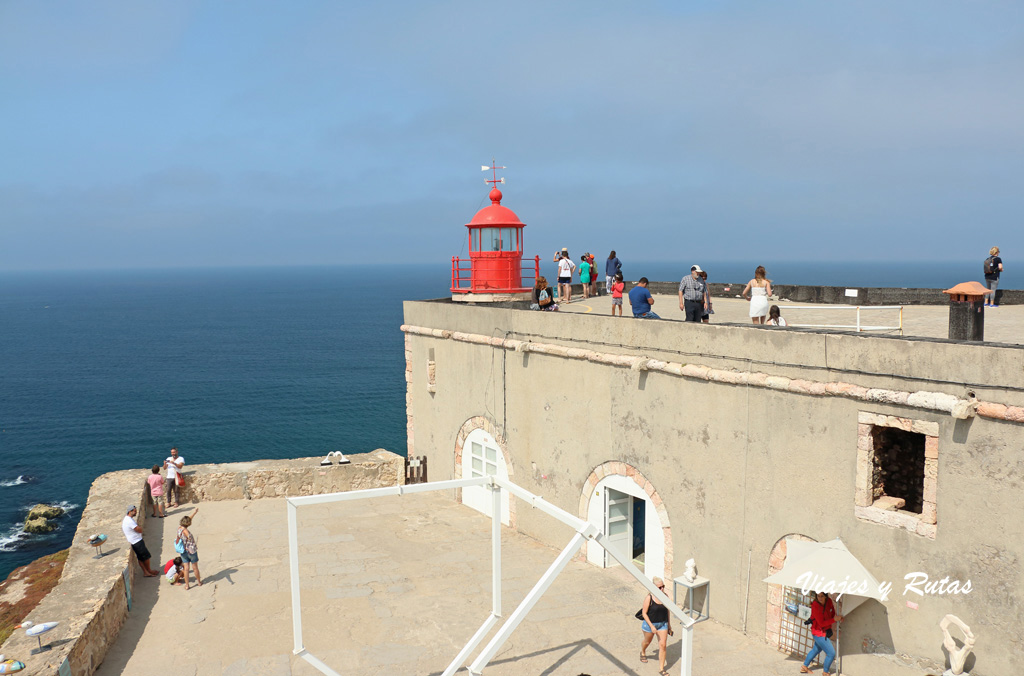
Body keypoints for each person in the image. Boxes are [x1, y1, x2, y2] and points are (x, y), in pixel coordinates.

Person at [800, 591, 843, 674]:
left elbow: (832, 613)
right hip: (818, 633)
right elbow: (822, 623)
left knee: (816, 650)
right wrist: (834, 619)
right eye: (818, 596)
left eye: (822, 596)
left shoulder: (829, 601)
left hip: (825, 631)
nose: (820, 598)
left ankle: (804, 667)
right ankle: (825, 672)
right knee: (831, 653)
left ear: (826, 596)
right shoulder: (815, 606)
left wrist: (838, 618)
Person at [639, 577, 673, 675]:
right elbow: (644, 613)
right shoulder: (649, 598)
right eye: (659, 588)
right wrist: (652, 626)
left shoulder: (665, 596)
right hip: (650, 624)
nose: (662, 589)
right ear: (654, 588)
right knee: (647, 642)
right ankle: (643, 652)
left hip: (663, 624)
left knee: (663, 645)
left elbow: (667, 611)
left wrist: (669, 626)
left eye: (663, 586)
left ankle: (661, 669)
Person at [122, 505, 158, 577]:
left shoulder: (127, 519)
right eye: (134, 511)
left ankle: (146, 572)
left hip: (134, 541)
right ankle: (148, 570)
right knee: (146, 557)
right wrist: (140, 529)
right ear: (130, 511)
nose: (136, 512)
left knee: (141, 558)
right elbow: (138, 529)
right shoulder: (129, 521)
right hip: (137, 542)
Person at [176, 507, 202, 589]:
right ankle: (199, 582)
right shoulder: (186, 531)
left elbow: (187, 521)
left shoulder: (179, 528)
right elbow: (189, 537)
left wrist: (194, 513)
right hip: (191, 551)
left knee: (186, 568)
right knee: (195, 568)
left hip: (183, 551)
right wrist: (189, 538)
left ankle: (187, 585)